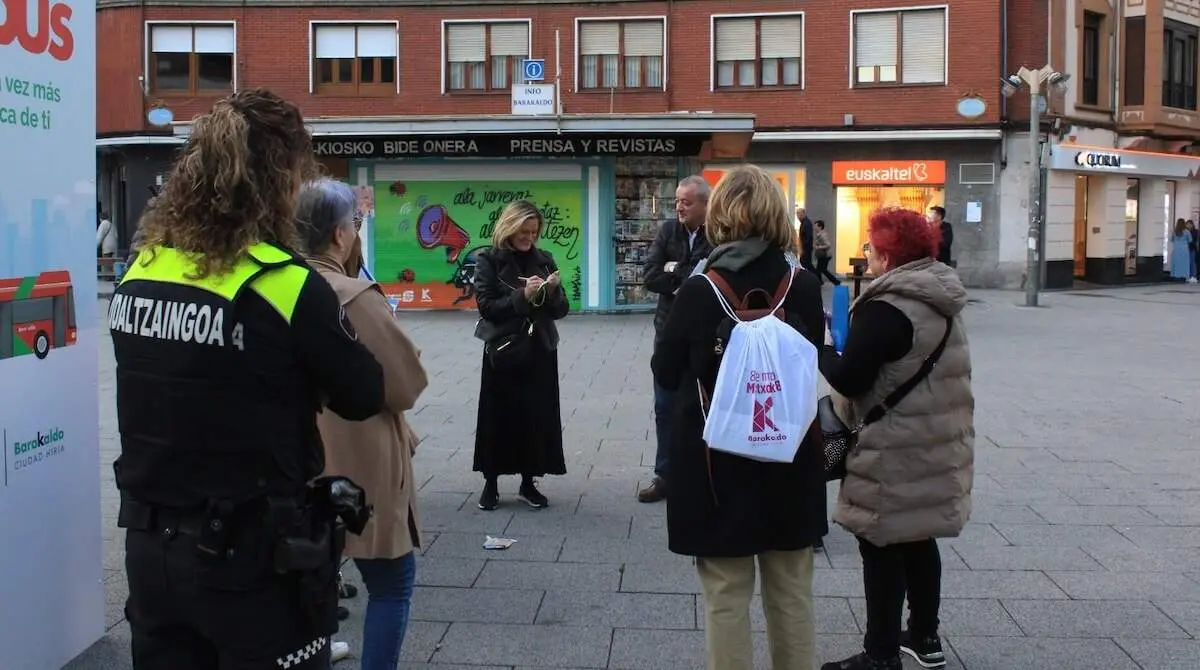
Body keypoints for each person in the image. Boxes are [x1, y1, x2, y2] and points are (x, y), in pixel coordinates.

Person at [110, 88, 385, 670]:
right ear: (279, 180)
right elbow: (364, 394)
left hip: (150, 549)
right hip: (253, 560)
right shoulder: (284, 285)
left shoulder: (143, 267)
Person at [652, 165, 828, 670]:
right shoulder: (804, 284)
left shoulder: (698, 289)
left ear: (720, 216)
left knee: (726, 594)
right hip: (789, 455)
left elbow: (665, 373)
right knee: (792, 590)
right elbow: (811, 357)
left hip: (716, 463)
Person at [819, 207, 974, 670]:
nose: (868, 255)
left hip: (894, 446)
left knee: (882, 543)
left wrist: (825, 348)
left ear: (886, 255)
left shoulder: (886, 307)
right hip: (936, 439)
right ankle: (925, 636)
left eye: (870, 247)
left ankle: (881, 653)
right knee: (920, 536)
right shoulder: (940, 298)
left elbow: (849, 379)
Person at [299, 178, 430, 670]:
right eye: (354, 225)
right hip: (362, 457)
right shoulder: (352, 294)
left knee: (309, 572)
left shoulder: (274, 286)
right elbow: (406, 384)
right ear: (339, 235)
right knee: (392, 583)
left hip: (299, 455)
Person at [473, 199, 569, 511]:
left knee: (535, 416)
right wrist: (522, 295)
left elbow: (562, 310)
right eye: (524, 231)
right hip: (504, 348)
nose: (529, 237)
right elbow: (486, 307)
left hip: (539, 348)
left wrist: (553, 291)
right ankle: (491, 483)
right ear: (510, 228)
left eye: (534, 232)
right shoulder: (488, 258)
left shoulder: (545, 259)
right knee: (497, 415)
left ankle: (529, 482)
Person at [639, 175, 713, 503]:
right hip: (668, 332)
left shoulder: (718, 235)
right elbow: (650, 274)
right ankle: (665, 475)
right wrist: (684, 279)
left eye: (687, 201)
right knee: (664, 406)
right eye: (678, 201)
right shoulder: (667, 231)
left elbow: (713, 276)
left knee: (704, 407)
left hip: (704, 335)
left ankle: (701, 474)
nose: (680, 207)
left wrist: (675, 272)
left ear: (704, 204)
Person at [812, 220, 841, 285]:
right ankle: (820, 282)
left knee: (822, 270)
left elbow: (828, 245)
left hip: (825, 255)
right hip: (823, 255)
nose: (814, 227)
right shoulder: (819, 234)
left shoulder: (822, 235)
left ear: (820, 227)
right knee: (820, 269)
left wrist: (818, 247)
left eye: (816, 226)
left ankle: (835, 281)